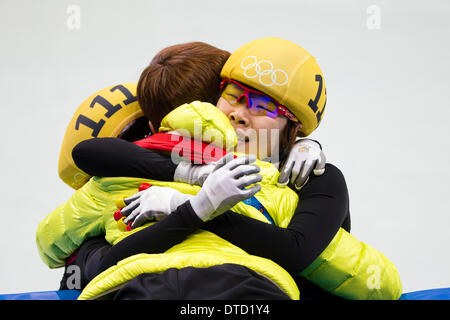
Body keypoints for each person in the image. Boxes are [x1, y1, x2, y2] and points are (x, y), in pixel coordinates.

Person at [38, 39, 402, 300]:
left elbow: (67, 258)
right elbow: (370, 279)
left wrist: (195, 209)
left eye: (264, 106)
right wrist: (196, 193)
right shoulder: (272, 189)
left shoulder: (285, 182)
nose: (239, 113)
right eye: (232, 95)